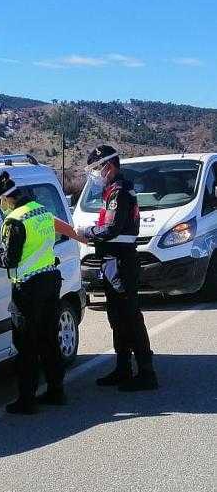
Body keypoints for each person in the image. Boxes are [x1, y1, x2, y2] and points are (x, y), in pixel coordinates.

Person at [0, 171, 66, 414]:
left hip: (28, 289)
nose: (0, 208)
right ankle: (56, 390)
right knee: (49, 339)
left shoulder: (15, 221)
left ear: (5, 199)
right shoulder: (40, 210)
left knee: (26, 345)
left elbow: (10, 259)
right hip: (50, 279)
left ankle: (27, 400)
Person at [80, 145, 158, 391]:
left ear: (108, 166)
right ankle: (123, 367)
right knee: (117, 317)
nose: (94, 174)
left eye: (96, 168)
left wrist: (86, 232)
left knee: (130, 317)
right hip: (112, 262)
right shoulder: (112, 191)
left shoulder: (120, 192)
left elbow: (112, 229)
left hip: (121, 263)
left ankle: (146, 372)